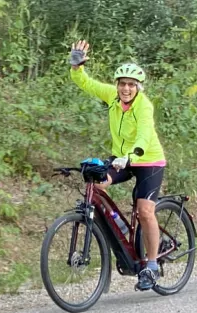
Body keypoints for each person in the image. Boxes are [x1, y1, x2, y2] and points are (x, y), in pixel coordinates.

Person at [69, 40, 167, 291]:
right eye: (122, 84)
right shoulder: (112, 96)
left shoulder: (144, 105)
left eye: (131, 85)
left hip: (148, 160)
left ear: (138, 88)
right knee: (98, 183)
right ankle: (119, 234)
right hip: (121, 157)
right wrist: (77, 66)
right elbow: (86, 84)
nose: (125, 88)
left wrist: (133, 154)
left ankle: (152, 265)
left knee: (145, 211)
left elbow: (145, 133)